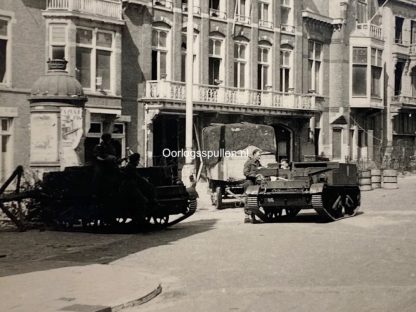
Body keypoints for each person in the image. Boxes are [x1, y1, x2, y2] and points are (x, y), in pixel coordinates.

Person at [242, 149, 263, 224]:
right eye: (259, 155)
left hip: (255, 183)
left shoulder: (258, 163)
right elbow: (245, 173)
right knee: (249, 199)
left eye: (260, 155)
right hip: (249, 182)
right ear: (254, 154)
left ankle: (252, 217)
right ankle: (248, 217)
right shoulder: (249, 162)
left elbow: (261, 170)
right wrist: (255, 175)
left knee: (254, 200)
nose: (260, 156)